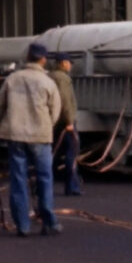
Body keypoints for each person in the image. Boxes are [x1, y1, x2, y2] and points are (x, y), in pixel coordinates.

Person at [0, 42, 62, 236]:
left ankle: (22, 225)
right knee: (44, 178)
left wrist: (5, 124)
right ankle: (48, 221)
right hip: (40, 135)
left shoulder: (12, 79)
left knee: (18, 179)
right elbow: (55, 110)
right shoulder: (48, 82)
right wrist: (46, 126)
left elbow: (0, 107)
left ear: (27, 58)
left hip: (15, 134)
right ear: (43, 59)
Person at [49, 52, 82, 196]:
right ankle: (72, 187)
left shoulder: (49, 76)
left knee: (52, 154)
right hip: (64, 122)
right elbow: (65, 101)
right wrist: (69, 121)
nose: (70, 66)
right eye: (69, 63)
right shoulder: (62, 78)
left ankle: (43, 186)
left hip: (53, 121)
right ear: (63, 63)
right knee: (71, 152)